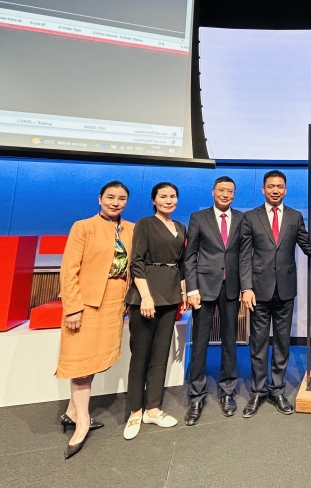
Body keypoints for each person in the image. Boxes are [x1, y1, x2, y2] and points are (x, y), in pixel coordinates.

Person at [239, 170, 311, 418]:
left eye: (280, 186)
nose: (275, 190)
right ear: (263, 189)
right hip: (258, 291)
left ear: (286, 190)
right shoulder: (250, 217)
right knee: (258, 344)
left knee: (282, 343)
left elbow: (307, 247)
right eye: (271, 186)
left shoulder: (294, 216)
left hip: (285, 290)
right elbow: (244, 256)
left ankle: (277, 390)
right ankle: (258, 391)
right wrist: (246, 288)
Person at [56, 180, 134, 459]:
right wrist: (73, 308)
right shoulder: (83, 227)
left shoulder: (131, 229)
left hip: (115, 301)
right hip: (86, 303)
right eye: (110, 197)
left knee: (96, 361)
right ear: (100, 198)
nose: (115, 202)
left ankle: (71, 412)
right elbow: (69, 270)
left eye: (121, 198)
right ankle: (82, 423)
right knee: (81, 363)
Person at [123, 182, 187, 439]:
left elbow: (182, 264)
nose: (168, 200)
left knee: (161, 356)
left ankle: (153, 409)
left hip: (170, 296)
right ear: (154, 200)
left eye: (172, 196)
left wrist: (183, 293)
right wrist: (146, 297)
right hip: (146, 296)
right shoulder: (145, 224)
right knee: (140, 356)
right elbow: (136, 261)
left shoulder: (180, 227)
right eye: (163, 196)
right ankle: (134, 411)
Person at [183, 176, 244, 425]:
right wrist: (191, 288)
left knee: (230, 341)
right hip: (204, 288)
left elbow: (245, 255)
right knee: (200, 342)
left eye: (230, 191)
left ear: (234, 194)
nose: (226, 194)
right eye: (221, 190)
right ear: (213, 192)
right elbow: (190, 256)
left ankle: (228, 391)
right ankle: (197, 396)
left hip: (231, 288)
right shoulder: (199, 218)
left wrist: (245, 287)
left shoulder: (241, 218)